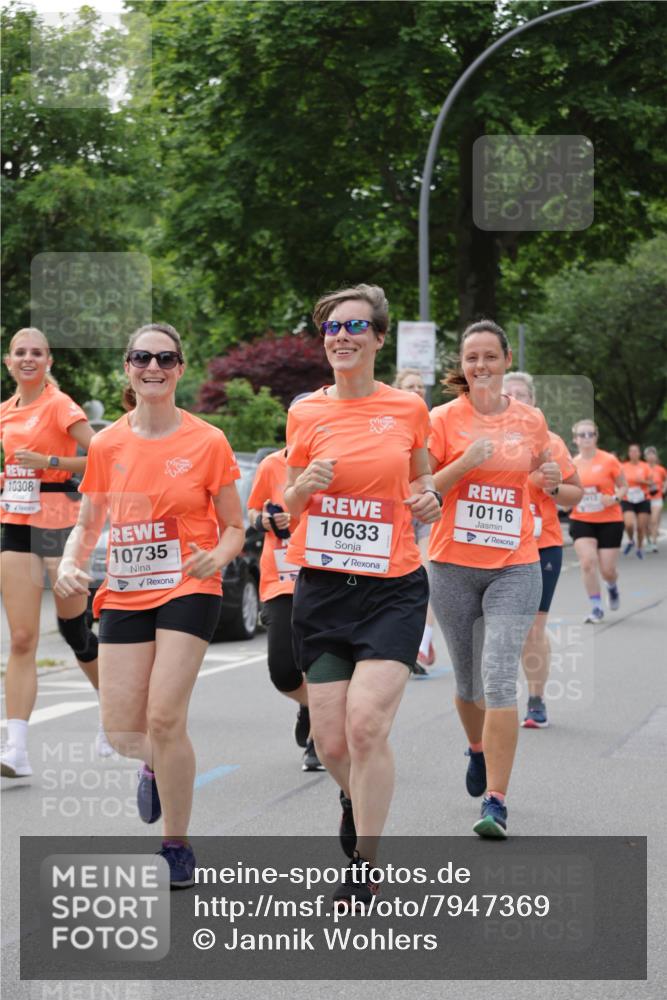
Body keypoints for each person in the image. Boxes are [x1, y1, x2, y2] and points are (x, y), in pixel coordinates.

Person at [54, 322, 245, 888]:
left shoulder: (208, 441)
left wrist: (219, 555)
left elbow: (236, 525)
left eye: (165, 358)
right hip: (125, 590)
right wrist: (69, 564)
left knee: (165, 716)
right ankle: (154, 763)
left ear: (180, 368)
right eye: (142, 358)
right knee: (121, 729)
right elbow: (87, 525)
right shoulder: (109, 443)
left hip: (189, 586)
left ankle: (176, 843)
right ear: (128, 368)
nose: (153, 367)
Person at [283, 285, 440, 907]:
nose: (341, 336)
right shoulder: (305, 413)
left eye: (354, 326)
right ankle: (355, 795)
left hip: (392, 590)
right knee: (331, 742)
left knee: (367, 726)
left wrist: (430, 497)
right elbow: (287, 504)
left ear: (377, 337)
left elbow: (424, 479)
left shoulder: (407, 410)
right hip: (322, 589)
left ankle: (365, 862)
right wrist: (305, 487)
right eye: (330, 328)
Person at [428, 321, 555, 839]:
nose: (480, 366)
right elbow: (424, 491)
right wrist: (464, 462)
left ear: (505, 360)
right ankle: (477, 747)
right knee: (467, 684)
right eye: (471, 358)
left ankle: (496, 800)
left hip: (514, 563)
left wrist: (546, 478)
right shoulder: (441, 419)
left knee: (500, 675)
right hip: (453, 565)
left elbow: (546, 473)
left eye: (490, 356)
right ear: (463, 365)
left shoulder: (531, 419)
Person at [1, 327, 108, 779]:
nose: (28, 358)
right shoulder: (4, 413)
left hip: (59, 526)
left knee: (75, 630)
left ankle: (114, 712)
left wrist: (51, 463)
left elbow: (101, 454)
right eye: (20, 352)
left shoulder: (60, 405)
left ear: (49, 363)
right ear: (8, 362)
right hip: (15, 524)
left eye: (37, 353)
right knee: (22, 639)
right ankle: (16, 748)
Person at [503, 372, 583, 729]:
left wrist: (553, 487)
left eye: (522, 396)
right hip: (497, 547)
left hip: (541, 545)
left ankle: (535, 699)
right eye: (509, 396)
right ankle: (491, 702)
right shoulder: (483, 440)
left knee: (533, 627)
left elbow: (574, 494)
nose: (516, 401)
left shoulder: (551, 442)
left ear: (533, 403)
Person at [247, 440, 324, 772]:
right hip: (280, 580)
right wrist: (264, 521)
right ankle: (311, 706)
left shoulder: (337, 463)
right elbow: (252, 511)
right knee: (282, 671)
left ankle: (318, 741)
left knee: (321, 664)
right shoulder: (271, 465)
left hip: (324, 578)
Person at [393, 368, 436, 672]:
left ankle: (421, 644)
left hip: (422, 508)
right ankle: (410, 637)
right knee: (399, 579)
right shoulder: (390, 421)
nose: (417, 390)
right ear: (398, 389)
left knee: (423, 574)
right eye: (410, 386)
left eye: (420, 386)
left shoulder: (434, 422)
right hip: (394, 511)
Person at [569, 419, 627, 623]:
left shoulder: (609, 460)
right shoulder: (572, 464)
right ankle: (596, 607)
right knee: (587, 562)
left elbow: (623, 486)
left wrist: (614, 498)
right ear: (575, 439)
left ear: (596, 437)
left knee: (607, 570)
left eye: (590, 434)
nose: (586, 438)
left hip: (610, 519)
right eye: (582, 435)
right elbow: (567, 491)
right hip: (582, 518)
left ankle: (611, 586)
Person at [620, 444, 653, 558]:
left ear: (639, 453)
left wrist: (642, 481)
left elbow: (651, 483)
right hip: (627, 498)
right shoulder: (623, 467)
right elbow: (618, 482)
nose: (633, 454)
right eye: (631, 451)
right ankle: (630, 540)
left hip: (642, 498)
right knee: (628, 524)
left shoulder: (645, 466)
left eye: (636, 451)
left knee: (640, 527)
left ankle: (639, 547)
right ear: (629, 454)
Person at [644, 446, 666, 552]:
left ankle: (654, 543)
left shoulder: (661, 469)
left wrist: (664, 489)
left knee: (653, 521)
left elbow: (665, 480)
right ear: (645, 457)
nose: (651, 456)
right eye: (649, 454)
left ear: (656, 456)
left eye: (653, 454)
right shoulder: (642, 468)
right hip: (645, 498)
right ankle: (648, 540)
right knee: (646, 523)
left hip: (657, 498)